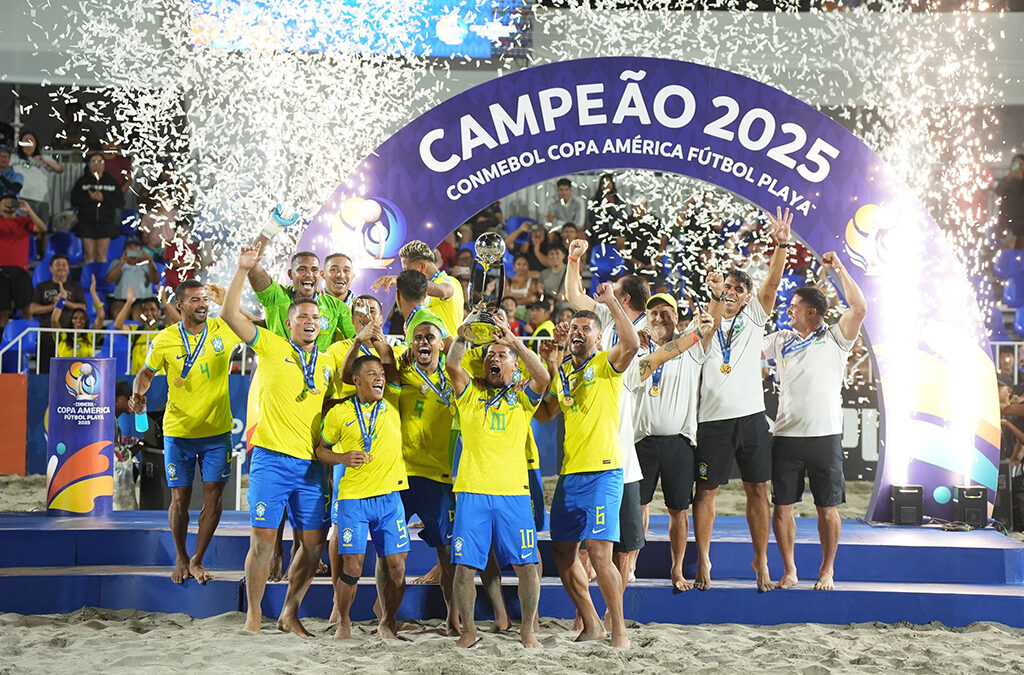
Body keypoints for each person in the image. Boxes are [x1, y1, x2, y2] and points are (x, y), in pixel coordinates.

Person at [222, 242, 336, 636]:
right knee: (264, 543)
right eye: (302, 316)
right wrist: (242, 270)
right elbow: (229, 314)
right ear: (288, 323)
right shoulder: (270, 346)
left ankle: (289, 612)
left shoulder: (326, 363)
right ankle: (254, 616)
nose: (310, 320)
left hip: (311, 468)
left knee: (314, 545)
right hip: (271, 460)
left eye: (315, 317)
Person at [693, 206, 793, 593]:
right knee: (706, 492)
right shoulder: (705, 316)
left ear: (748, 296)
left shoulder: (754, 315)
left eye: (738, 289)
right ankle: (703, 558)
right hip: (713, 420)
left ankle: (761, 560)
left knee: (757, 490)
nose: (731, 294)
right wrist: (715, 297)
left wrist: (781, 244)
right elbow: (709, 329)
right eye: (726, 288)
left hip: (751, 418)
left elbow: (772, 282)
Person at [535, 282, 640, 649]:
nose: (578, 333)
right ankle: (592, 622)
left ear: (598, 338)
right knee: (562, 552)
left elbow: (632, 345)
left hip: (604, 472)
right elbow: (546, 414)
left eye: (585, 329)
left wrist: (611, 302)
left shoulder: (606, 364)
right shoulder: (564, 371)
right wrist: (547, 369)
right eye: (573, 328)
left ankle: (619, 631)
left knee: (599, 552)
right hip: (570, 474)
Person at [446, 313, 551, 648]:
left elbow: (543, 376)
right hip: (472, 492)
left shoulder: (523, 397)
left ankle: (527, 630)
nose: (494, 357)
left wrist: (513, 342)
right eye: (490, 354)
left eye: (501, 355)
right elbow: (451, 364)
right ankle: (470, 631)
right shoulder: (470, 393)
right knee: (464, 568)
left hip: (513, 494)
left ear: (514, 366)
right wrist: (467, 328)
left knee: (527, 567)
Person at [128, 280, 241, 584]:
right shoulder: (165, 339)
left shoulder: (224, 329)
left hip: (217, 433)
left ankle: (198, 559)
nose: (203, 304)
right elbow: (146, 374)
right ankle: (180, 556)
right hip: (178, 432)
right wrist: (138, 394)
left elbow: (260, 324)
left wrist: (230, 302)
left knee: (214, 500)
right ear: (179, 305)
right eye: (194, 300)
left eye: (205, 299)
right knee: (180, 500)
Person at [766, 253, 867, 591]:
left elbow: (859, 308)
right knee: (782, 508)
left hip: (825, 437)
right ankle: (790, 570)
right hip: (786, 436)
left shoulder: (837, 338)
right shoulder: (780, 339)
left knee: (827, 509)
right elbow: (746, 348)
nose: (788, 309)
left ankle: (827, 571)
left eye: (794, 306)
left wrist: (838, 269)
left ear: (811, 311)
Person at [564, 239, 648, 603]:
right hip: (595, 450)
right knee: (586, 548)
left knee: (624, 549)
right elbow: (573, 294)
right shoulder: (599, 323)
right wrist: (573, 259)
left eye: (615, 289)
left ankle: (613, 615)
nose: (607, 290)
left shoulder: (640, 327)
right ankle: (589, 615)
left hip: (622, 451)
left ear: (624, 298)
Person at [627, 285, 721, 591]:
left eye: (665, 312)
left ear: (676, 317)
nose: (658, 317)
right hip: (640, 440)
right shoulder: (634, 350)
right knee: (637, 507)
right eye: (653, 312)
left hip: (679, 441)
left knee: (678, 510)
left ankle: (677, 570)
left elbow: (709, 321)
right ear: (646, 318)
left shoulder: (690, 346)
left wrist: (716, 294)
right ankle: (630, 566)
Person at [318, 327, 408, 640]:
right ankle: (343, 621)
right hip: (353, 498)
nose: (379, 378)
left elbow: (393, 371)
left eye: (380, 374)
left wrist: (378, 341)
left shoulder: (394, 401)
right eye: (371, 374)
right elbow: (321, 450)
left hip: (389, 498)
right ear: (356, 380)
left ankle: (388, 621)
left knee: (397, 568)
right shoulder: (340, 412)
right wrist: (342, 459)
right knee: (352, 567)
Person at [396, 317, 461, 635]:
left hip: (439, 477)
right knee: (392, 553)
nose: (423, 342)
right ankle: (386, 618)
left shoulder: (454, 379)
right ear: (411, 344)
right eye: (417, 337)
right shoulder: (398, 371)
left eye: (430, 337)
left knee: (447, 554)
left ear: (441, 344)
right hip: (401, 475)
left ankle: (453, 618)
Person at [371, 240, 465, 339]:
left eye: (407, 271)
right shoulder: (422, 291)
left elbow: (444, 291)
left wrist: (402, 280)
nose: (405, 275)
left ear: (422, 267)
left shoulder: (449, 281)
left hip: (447, 353)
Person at [28, 254, 86, 372]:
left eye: (64, 265)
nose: (61, 267)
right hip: (47, 337)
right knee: (45, 373)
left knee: (70, 372)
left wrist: (64, 303)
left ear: (68, 268)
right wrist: (53, 306)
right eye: (58, 264)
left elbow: (83, 307)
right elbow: (32, 309)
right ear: (50, 269)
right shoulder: (42, 286)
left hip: (70, 338)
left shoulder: (75, 286)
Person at [0, 194, 46, 331]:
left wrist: (29, 210)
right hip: (0, 271)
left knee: (26, 310)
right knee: (2, 313)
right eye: (6, 202)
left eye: (12, 202)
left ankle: (29, 343)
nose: (9, 204)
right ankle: (3, 346)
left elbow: (42, 229)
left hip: (21, 271)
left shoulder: (25, 221)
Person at [70, 150, 124, 265]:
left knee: (101, 256)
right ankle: (88, 281)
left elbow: (118, 201)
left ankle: (100, 281)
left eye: (100, 161)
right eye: (94, 161)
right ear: (89, 164)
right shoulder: (82, 181)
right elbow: (74, 200)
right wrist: (90, 198)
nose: (97, 164)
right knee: (89, 256)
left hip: (106, 223)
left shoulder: (112, 182)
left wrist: (103, 198)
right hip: (86, 223)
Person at [15, 131, 64, 228]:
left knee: (42, 229)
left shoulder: (44, 158)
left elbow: (60, 169)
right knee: (21, 228)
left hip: (41, 200)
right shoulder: (14, 158)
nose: (28, 144)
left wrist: (45, 161)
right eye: (25, 141)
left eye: (31, 141)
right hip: (22, 198)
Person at [52, 277, 106, 357]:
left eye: (82, 318)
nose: (78, 321)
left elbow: (101, 317)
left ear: (86, 321)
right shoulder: (63, 336)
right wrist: (62, 299)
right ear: (71, 320)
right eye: (75, 318)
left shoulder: (90, 336)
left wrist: (93, 293)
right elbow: (54, 320)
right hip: (64, 369)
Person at [106, 237, 159, 316]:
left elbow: (155, 280)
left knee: (140, 315)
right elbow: (109, 280)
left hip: (142, 300)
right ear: (125, 250)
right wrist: (121, 264)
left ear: (141, 249)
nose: (133, 249)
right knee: (118, 312)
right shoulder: (117, 262)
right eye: (130, 247)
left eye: (136, 247)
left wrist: (150, 262)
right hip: (121, 299)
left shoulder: (148, 263)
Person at [996, 154, 1024, 248]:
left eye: (1020, 164)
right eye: (1015, 164)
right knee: (1006, 254)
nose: (1018, 167)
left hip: (1022, 225)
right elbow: (998, 191)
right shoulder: (1008, 180)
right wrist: (1008, 178)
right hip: (1007, 224)